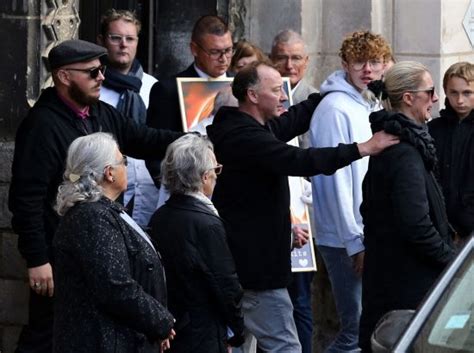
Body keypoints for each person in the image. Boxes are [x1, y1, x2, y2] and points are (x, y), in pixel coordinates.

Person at [206, 61, 399, 353]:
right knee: (286, 347)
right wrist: (363, 148)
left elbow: (293, 119)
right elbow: (300, 160)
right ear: (253, 95)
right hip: (256, 272)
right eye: (275, 90)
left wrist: (337, 86)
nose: (284, 96)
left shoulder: (249, 127)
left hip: (251, 268)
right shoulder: (244, 138)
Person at [8, 39, 182, 353]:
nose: (102, 77)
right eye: (92, 72)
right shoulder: (42, 125)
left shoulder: (101, 112)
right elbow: (26, 199)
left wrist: (193, 140)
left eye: (101, 70)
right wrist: (37, 259)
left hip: (101, 243)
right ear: (63, 76)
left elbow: (143, 139)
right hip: (61, 251)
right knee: (46, 332)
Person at [359, 61, 455, 352]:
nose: (436, 99)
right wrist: (451, 261)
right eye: (430, 91)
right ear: (409, 98)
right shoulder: (402, 153)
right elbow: (416, 224)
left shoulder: (399, 144)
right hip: (405, 288)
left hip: (394, 280)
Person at [53, 132, 175, 353]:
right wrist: (159, 321)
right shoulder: (92, 218)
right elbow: (114, 285)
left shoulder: (102, 211)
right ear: (109, 173)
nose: (126, 167)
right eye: (123, 162)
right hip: (99, 341)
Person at [309, 30, 392, 353]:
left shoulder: (365, 102)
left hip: (359, 233)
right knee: (354, 332)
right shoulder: (335, 108)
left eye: (375, 61)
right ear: (345, 64)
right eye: (360, 62)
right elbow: (335, 182)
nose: (368, 69)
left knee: (363, 329)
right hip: (344, 238)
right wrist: (354, 241)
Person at [149, 134, 244, 353]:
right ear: (203, 177)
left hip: (173, 329)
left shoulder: (159, 217)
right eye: (215, 170)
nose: (217, 177)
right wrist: (237, 331)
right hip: (203, 332)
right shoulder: (206, 223)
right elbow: (226, 285)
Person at [270, 29, 318, 353]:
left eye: (296, 57)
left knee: (300, 299)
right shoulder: (262, 97)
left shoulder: (316, 99)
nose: (289, 65)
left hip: (306, 218)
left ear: (307, 61)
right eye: (282, 57)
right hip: (269, 217)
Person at [146, 15, 234, 183]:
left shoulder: (242, 85)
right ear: (194, 49)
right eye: (215, 52)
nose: (223, 59)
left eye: (228, 50)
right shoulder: (167, 90)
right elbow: (154, 151)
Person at [97, 9, 159, 229]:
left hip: (147, 190)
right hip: (105, 190)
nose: (124, 44)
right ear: (102, 41)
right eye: (116, 38)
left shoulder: (153, 87)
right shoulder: (94, 90)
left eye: (130, 38)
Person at [428, 62, 474, 247]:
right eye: (454, 93)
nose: (460, 100)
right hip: (440, 230)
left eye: (467, 93)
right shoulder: (433, 129)